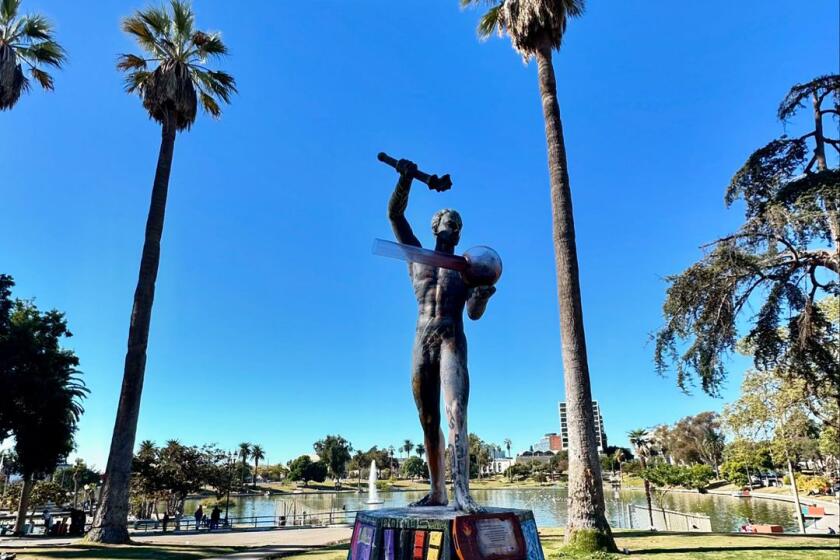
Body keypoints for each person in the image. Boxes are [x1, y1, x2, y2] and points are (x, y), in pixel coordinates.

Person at [387, 160, 496, 513]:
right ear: (435, 226)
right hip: (421, 340)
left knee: (456, 414)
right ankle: (438, 491)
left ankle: (462, 492)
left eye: (457, 226)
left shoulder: (467, 270)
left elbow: (473, 315)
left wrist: (480, 297)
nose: (452, 227)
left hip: (451, 339)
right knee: (429, 420)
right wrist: (405, 180)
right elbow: (394, 215)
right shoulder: (417, 256)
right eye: (448, 222)